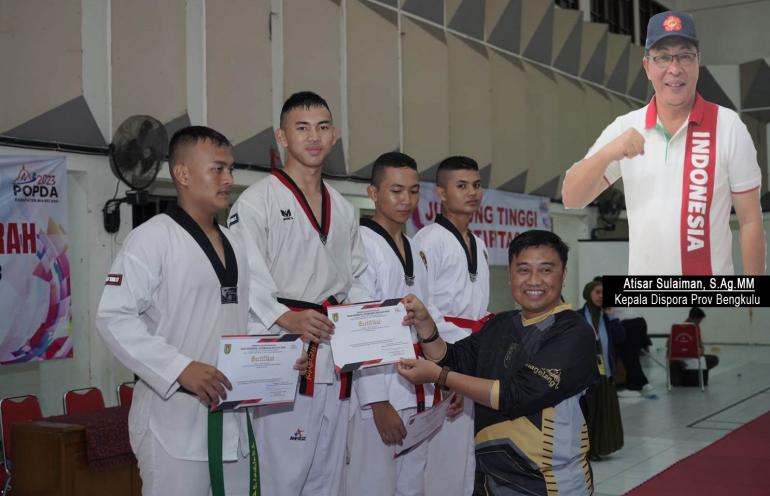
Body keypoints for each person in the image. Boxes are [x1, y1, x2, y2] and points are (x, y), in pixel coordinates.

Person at [97, 126, 303, 495]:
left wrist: (277, 355)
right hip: (173, 418)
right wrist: (180, 368)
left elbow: (239, 320)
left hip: (233, 417)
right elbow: (113, 318)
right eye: (217, 169)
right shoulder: (152, 238)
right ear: (183, 173)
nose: (229, 179)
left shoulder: (236, 244)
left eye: (231, 169)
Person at [228, 91, 370, 496]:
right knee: (281, 477)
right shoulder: (256, 201)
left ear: (334, 136)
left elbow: (357, 277)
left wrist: (364, 324)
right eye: (302, 128)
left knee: (329, 476)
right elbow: (245, 274)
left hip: (334, 353)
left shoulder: (343, 207)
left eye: (322, 127)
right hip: (284, 355)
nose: (313, 137)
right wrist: (285, 317)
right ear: (282, 137)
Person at [562, 10, 765, 276]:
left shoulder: (728, 126)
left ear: (698, 61)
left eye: (685, 56)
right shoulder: (626, 127)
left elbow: (750, 221)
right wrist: (608, 153)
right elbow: (572, 198)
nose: (674, 69)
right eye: (663, 57)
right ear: (647, 66)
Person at [397, 230, 598, 495]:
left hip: (550, 484)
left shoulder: (574, 332)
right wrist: (425, 325)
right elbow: (452, 359)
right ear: (510, 275)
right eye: (523, 270)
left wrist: (440, 376)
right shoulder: (501, 324)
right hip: (491, 481)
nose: (534, 280)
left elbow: (515, 395)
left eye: (546, 270)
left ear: (563, 274)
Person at [346, 151, 448, 496]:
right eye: (396, 191)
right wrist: (377, 402)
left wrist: (446, 378)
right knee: (373, 485)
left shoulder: (414, 248)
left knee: (412, 484)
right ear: (373, 193)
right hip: (381, 391)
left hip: (417, 385)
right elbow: (361, 327)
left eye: (414, 191)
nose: (407, 200)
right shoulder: (361, 244)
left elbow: (430, 317)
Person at [413, 155, 491, 496]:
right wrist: (446, 371)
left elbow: (478, 309)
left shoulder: (480, 243)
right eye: (462, 186)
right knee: (442, 457)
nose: (472, 192)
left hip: (473, 356)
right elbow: (424, 310)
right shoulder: (428, 240)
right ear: (441, 193)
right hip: (442, 357)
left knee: (465, 456)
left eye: (476, 185)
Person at [580, 278, 624, 462]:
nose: (601, 297)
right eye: (597, 292)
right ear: (588, 293)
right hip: (586, 375)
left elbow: (620, 339)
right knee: (588, 413)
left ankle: (600, 448)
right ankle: (585, 450)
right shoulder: (578, 317)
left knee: (604, 413)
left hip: (606, 374)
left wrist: (612, 316)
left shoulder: (607, 317)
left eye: (604, 293)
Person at [668, 307, 719, 386]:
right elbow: (669, 345)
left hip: (693, 357)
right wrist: (681, 360)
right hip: (679, 360)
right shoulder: (679, 328)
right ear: (691, 318)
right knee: (676, 382)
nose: (699, 323)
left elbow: (700, 344)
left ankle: (695, 375)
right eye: (698, 321)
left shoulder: (696, 327)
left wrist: (701, 350)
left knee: (714, 359)